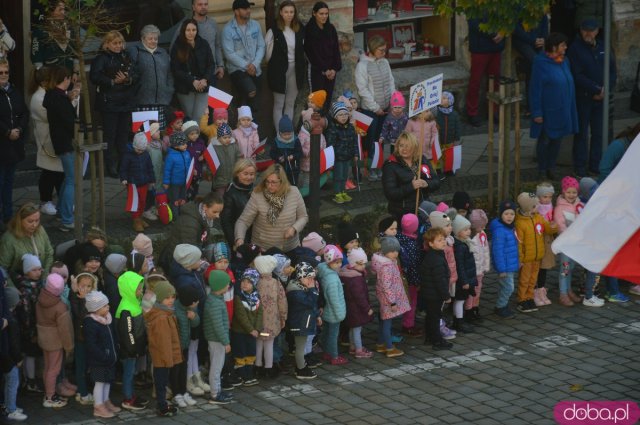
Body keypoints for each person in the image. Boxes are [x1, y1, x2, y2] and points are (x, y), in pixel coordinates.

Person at [567, 18, 617, 178]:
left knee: (598, 133)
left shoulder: (603, 46)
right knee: (581, 133)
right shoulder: (575, 49)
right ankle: (580, 166)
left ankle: (595, 165)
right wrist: (595, 88)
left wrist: (605, 89)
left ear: (597, 31)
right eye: (585, 30)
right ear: (580, 30)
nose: (588, 33)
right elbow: (577, 75)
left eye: (591, 30)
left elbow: (612, 70)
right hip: (584, 97)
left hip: (601, 97)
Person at [529, 32, 579, 180]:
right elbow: (535, 89)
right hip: (548, 110)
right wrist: (537, 112)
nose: (565, 47)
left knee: (557, 140)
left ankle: (551, 167)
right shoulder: (540, 62)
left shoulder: (564, 61)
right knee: (545, 140)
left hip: (563, 109)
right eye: (563, 45)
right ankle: (542, 170)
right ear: (554, 46)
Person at [90, 31, 138, 178]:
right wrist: (112, 81)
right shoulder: (101, 58)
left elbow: (136, 74)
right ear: (107, 44)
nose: (118, 46)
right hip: (109, 102)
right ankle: (111, 166)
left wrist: (127, 79)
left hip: (125, 101)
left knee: (123, 135)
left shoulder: (126, 56)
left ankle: (123, 165)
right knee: (110, 135)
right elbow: (95, 76)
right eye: (115, 43)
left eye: (120, 43)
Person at [234, 164, 308, 253]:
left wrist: (294, 228)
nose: (269, 185)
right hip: (264, 250)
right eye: (267, 181)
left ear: (282, 181)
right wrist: (239, 239)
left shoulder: (294, 193)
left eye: (273, 182)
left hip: (290, 248)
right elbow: (243, 221)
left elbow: (303, 217)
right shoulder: (257, 195)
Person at [355, 35, 394, 179]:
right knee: (370, 141)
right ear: (372, 49)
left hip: (385, 108)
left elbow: (391, 81)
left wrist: (393, 101)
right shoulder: (362, 65)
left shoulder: (385, 62)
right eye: (381, 50)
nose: (384, 53)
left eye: (385, 50)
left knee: (381, 140)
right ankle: (370, 169)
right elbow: (362, 90)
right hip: (370, 111)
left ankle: (378, 166)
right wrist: (375, 107)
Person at [43, 65, 76, 231]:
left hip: (60, 142)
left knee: (68, 179)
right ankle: (67, 219)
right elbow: (69, 122)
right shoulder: (60, 99)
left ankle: (61, 213)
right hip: (66, 143)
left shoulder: (52, 96)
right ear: (66, 79)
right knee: (72, 180)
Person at [265, 0, 306, 129]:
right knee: (279, 103)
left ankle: (287, 133)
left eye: (291, 12)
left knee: (290, 102)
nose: (289, 14)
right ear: (281, 13)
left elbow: (304, 48)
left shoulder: (299, 28)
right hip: (278, 71)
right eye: (286, 12)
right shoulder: (274, 31)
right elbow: (267, 54)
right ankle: (279, 135)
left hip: (296, 69)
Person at [381, 131, 440, 222]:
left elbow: (436, 181)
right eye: (401, 145)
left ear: (414, 147)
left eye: (408, 146)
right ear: (397, 147)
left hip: (423, 209)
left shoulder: (422, 159)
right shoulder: (390, 166)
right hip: (403, 213)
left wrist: (427, 184)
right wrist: (411, 186)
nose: (404, 149)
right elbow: (390, 194)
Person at [222, 0, 266, 119]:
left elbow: (261, 46)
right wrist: (247, 66)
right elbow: (229, 53)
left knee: (254, 102)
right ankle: (240, 128)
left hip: (256, 69)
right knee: (250, 92)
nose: (248, 11)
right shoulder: (228, 29)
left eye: (249, 8)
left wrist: (255, 64)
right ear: (236, 11)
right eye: (244, 8)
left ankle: (253, 130)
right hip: (237, 70)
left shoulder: (255, 25)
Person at [30, 67, 64, 216]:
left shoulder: (48, 94)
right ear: (45, 82)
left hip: (54, 137)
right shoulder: (38, 97)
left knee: (59, 172)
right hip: (46, 138)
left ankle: (62, 200)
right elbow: (52, 115)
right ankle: (45, 201)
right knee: (49, 172)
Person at [36, 272, 74, 409]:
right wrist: (69, 347)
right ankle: (50, 397)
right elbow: (65, 330)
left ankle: (48, 393)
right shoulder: (60, 306)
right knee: (54, 369)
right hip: (55, 342)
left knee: (47, 368)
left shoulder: (40, 298)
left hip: (43, 339)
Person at [158, 192, 224, 270]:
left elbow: (205, 239)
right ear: (205, 207)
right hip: (179, 262)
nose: (218, 216)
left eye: (219, 212)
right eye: (215, 212)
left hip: (191, 254)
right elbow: (189, 252)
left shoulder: (203, 216)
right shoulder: (190, 223)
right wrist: (204, 261)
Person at [515, 192, 557, 313]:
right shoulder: (520, 223)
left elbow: (547, 228)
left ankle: (529, 297)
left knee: (533, 279)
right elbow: (519, 243)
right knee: (524, 280)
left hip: (537, 256)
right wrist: (520, 258)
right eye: (534, 206)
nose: (537, 208)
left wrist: (553, 227)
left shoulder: (538, 217)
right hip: (527, 259)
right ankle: (522, 300)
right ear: (528, 208)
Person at [144, 280, 181, 417]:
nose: (171, 300)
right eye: (167, 298)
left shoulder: (165, 312)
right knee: (161, 381)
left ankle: (163, 403)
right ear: (159, 298)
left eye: (173, 297)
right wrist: (168, 358)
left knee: (162, 381)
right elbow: (163, 341)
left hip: (164, 355)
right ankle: (162, 406)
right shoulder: (161, 317)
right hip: (163, 356)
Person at [127, 25, 174, 129]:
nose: (153, 41)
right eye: (150, 38)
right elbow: (130, 72)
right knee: (143, 134)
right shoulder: (135, 51)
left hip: (161, 100)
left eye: (156, 39)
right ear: (143, 39)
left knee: (158, 133)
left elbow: (169, 74)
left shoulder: (163, 53)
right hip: (141, 100)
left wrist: (169, 90)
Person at [553, 177, 590, 307]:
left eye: (574, 192)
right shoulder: (560, 208)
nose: (571, 195)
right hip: (566, 244)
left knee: (571, 267)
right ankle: (563, 293)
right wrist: (570, 236)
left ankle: (568, 290)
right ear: (563, 192)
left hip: (576, 244)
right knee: (565, 268)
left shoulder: (579, 205)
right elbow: (560, 225)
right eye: (568, 192)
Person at [115, 269, 149, 411]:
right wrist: (133, 349)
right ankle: (128, 398)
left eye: (141, 287)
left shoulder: (135, 302)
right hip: (129, 350)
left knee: (132, 372)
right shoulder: (126, 309)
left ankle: (132, 395)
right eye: (138, 288)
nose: (140, 291)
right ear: (129, 289)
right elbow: (127, 332)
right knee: (128, 373)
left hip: (135, 347)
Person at [0, 59, 29, 223]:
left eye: (6, 72)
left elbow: (24, 112)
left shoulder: (14, 91)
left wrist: (19, 129)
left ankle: (8, 216)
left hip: (14, 145)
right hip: (2, 143)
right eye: (0, 72)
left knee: (9, 182)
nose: (4, 75)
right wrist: (7, 131)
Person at [83, 291, 120, 418]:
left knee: (107, 381)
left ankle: (105, 401)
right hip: (99, 360)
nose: (108, 307)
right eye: (105, 306)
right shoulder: (91, 323)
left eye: (107, 304)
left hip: (109, 358)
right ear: (96, 309)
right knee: (100, 382)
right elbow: (91, 345)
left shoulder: (105, 319)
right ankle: (98, 406)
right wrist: (103, 356)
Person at [171, 0, 225, 86]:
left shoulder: (213, 23)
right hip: (193, 77)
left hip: (211, 73)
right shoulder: (186, 25)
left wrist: (220, 65)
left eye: (205, 4)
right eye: (200, 4)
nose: (203, 7)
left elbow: (217, 46)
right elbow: (174, 49)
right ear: (193, 7)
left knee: (213, 100)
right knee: (200, 100)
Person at [371, 237, 410, 357]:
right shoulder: (386, 266)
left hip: (386, 298)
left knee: (384, 321)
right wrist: (392, 302)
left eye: (397, 251)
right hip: (388, 300)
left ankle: (381, 343)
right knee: (387, 323)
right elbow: (386, 286)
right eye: (392, 251)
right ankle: (389, 348)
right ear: (385, 251)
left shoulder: (387, 261)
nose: (396, 253)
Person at [171, 18, 215, 120]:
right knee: (189, 119)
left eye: (194, 30)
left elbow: (211, 64)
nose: (191, 33)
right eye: (188, 30)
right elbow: (175, 69)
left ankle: (198, 136)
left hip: (203, 86)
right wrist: (192, 81)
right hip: (185, 88)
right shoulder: (177, 46)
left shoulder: (203, 43)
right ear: (183, 31)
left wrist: (205, 79)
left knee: (200, 118)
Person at [465, 15, 505, 127]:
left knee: (495, 80)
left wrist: (502, 33)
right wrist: (493, 34)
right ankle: (472, 112)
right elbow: (474, 24)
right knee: (475, 81)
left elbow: (506, 17)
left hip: (496, 47)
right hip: (480, 48)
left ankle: (493, 111)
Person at [0, 202, 54, 281]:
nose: (34, 225)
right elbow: (2, 269)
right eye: (30, 221)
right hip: (20, 281)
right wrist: (13, 289)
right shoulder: (8, 240)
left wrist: (45, 276)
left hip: (42, 276)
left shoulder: (40, 229)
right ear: (20, 221)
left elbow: (49, 252)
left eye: (37, 220)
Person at [253, 255, 288, 378]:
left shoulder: (256, 282)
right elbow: (282, 301)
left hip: (258, 321)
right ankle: (268, 367)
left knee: (259, 342)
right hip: (272, 321)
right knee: (269, 344)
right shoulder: (276, 283)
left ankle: (257, 366)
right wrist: (283, 317)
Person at [203, 270, 234, 404]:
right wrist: (225, 342)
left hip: (217, 339)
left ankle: (218, 390)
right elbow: (218, 325)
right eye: (227, 284)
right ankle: (215, 394)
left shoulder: (215, 299)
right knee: (216, 367)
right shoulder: (215, 303)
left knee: (217, 365)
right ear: (220, 286)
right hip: (217, 340)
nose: (229, 286)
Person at [420, 227, 453, 351]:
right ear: (431, 243)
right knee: (435, 317)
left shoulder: (434, 255)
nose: (443, 242)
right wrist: (446, 296)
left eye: (444, 239)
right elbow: (440, 281)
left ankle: (430, 337)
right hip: (434, 294)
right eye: (439, 240)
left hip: (430, 293)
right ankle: (437, 340)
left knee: (431, 316)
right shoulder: (436, 259)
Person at [303, 2, 341, 107]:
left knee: (327, 99)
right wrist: (325, 70)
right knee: (316, 100)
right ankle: (312, 123)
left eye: (326, 14)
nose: (324, 16)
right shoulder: (309, 30)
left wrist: (334, 69)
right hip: (317, 71)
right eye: (321, 14)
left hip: (331, 71)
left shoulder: (331, 28)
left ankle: (325, 123)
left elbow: (336, 50)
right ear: (314, 13)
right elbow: (311, 53)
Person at [68, 272, 98, 406]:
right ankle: (83, 393)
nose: (85, 289)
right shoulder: (75, 298)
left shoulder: (95, 298)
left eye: (89, 286)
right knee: (80, 366)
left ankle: (85, 390)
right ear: (77, 286)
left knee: (88, 366)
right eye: (82, 286)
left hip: (91, 338)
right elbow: (80, 314)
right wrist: (83, 299)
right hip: (81, 338)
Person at [339, 247, 373, 358]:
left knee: (353, 328)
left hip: (351, 308)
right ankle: (359, 349)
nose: (363, 266)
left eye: (364, 263)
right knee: (357, 329)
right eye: (361, 264)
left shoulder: (347, 274)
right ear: (353, 264)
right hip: (357, 309)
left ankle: (353, 347)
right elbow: (360, 297)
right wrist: (367, 308)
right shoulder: (356, 278)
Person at [316, 245, 348, 365]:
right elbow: (334, 299)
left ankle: (326, 352)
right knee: (333, 335)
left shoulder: (324, 272)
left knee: (327, 332)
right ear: (329, 262)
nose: (339, 265)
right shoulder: (332, 279)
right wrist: (339, 313)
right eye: (336, 262)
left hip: (327, 311)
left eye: (340, 262)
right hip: (334, 312)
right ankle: (334, 356)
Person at [231, 268, 262, 385]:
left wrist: (257, 329)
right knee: (240, 353)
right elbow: (241, 316)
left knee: (251, 352)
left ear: (254, 284)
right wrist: (251, 329)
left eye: (248, 282)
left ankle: (249, 373)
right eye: (243, 281)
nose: (245, 284)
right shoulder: (238, 297)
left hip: (253, 331)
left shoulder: (256, 297)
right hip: (240, 331)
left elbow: (260, 313)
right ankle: (242, 375)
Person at [121, 132, 156, 232]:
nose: (140, 151)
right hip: (132, 184)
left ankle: (140, 217)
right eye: (138, 149)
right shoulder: (128, 155)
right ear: (134, 145)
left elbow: (150, 167)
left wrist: (152, 179)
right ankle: (136, 220)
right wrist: (124, 178)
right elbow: (123, 168)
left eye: (142, 150)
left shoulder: (146, 154)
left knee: (142, 201)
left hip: (144, 182)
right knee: (135, 203)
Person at [489, 200, 519, 318]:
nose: (509, 217)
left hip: (510, 264)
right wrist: (501, 269)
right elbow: (497, 251)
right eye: (506, 214)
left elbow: (513, 247)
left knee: (506, 287)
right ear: (501, 214)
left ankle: (503, 305)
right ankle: (500, 306)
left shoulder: (510, 228)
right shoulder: (500, 231)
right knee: (509, 287)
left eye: (512, 214)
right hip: (504, 266)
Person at [30, 1, 76, 71]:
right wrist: (43, 76)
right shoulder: (40, 31)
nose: (63, 12)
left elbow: (76, 53)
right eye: (60, 9)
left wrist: (76, 72)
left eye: (64, 9)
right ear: (51, 11)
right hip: (51, 77)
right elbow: (37, 59)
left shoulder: (70, 29)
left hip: (69, 75)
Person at [326, 102, 358, 203]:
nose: (343, 117)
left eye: (345, 114)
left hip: (348, 157)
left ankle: (343, 192)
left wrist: (356, 154)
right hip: (338, 158)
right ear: (335, 117)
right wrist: (333, 157)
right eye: (340, 115)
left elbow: (355, 142)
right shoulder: (333, 129)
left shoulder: (351, 128)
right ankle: (337, 193)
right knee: (338, 176)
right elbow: (331, 145)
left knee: (344, 176)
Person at [221, 159, 256, 247]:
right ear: (237, 173)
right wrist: (234, 242)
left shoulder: (256, 190)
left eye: (251, 174)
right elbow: (226, 222)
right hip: (239, 238)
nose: (249, 177)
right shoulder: (230, 194)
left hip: (256, 237)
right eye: (245, 174)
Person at [451, 215, 477, 333]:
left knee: (461, 300)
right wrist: (465, 281)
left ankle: (459, 320)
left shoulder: (465, 243)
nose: (468, 232)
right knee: (460, 300)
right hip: (462, 280)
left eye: (469, 229)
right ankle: (458, 322)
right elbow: (460, 266)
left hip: (466, 277)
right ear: (457, 231)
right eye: (465, 229)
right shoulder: (460, 247)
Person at [534, 182, 556, 306]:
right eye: (545, 197)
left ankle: (541, 289)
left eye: (550, 197)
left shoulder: (551, 207)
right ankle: (535, 290)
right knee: (536, 267)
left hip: (547, 240)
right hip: (538, 240)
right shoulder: (536, 208)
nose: (547, 200)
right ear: (539, 197)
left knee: (544, 267)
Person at [467, 209, 490, 321]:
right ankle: (469, 310)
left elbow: (486, 250)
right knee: (471, 292)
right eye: (479, 227)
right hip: (472, 271)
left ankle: (475, 307)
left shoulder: (482, 234)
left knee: (478, 290)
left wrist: (486, 266)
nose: (482, 229)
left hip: (480, 270)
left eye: (483, 226)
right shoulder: (469, 238)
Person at [163, 132, 192, 217]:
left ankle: (182, 215)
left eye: (186, 143)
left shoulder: (187, 153)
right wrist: (166, 182)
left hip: (184, 182)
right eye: (183, 144)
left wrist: (192, 170)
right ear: (176, 146)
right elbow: (167, 170)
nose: (186, 145)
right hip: (174, 183)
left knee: (183, 199)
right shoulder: (170, 156)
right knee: (175, 200)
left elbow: (189, 163)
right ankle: (175, 217)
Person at [270, 115, 303, 186]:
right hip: (280, 169)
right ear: (280, 133)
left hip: (293, 169)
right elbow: (272, 153)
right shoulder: (276, 141)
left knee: (293, 184)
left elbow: (300, 153)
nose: (287, 137)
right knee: (280, 184)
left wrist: (293, 156)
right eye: (285, 135)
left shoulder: (296, 140)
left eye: (289, 134)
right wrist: (278, 158)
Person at [211, 123, 242, 197]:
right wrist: (209, 173)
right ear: (218, 138)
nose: (227, 139)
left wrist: (239, 167)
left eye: (229, 137)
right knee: (220, 196)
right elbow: (211, 162)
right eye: (224, 138)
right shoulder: (215, 148)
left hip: (232, 177)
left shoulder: (234, 146)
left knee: (230, 196)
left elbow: (238, 157)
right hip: (220, 178)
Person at [436, 92, 461, 174]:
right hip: (439, 140)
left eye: (444, 98)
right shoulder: (437, 113)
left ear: (450, 101)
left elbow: (457, 128)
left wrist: (456, 140)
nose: (441, 99)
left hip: (450, 140)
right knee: (438, 155)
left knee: (449, 155)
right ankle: (438, 169)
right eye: (440, 97)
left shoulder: (454, 114)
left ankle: (449, 169)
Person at [182, 120, 206, 201]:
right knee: (187, 188)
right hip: (188, 173)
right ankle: (186, 202)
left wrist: (203, 156)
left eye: (196, 133)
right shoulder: (184, 145)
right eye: (192, 134)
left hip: (198, 171)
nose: (195, 136)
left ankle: (192, 202)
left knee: (195, 189)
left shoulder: (201, 143)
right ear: (186, 135)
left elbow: (206, 152)